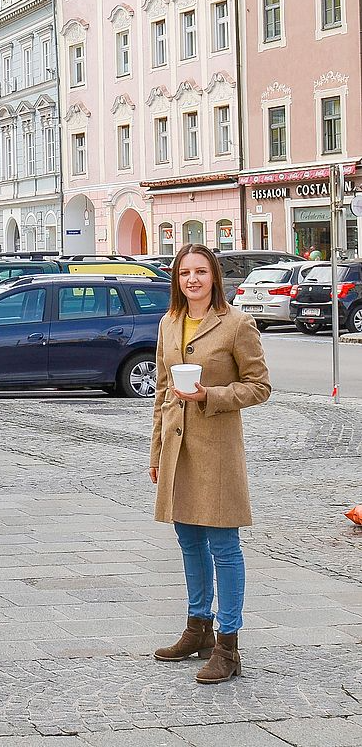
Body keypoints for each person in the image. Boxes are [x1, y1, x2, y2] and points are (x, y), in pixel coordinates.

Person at [150, 243, 270, 684]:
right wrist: (156, 452)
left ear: (215, 277)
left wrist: (210, 397)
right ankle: (197, 627)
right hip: (178, 451)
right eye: (185, 273)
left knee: (224, 545)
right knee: (188, 540)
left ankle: (228, 644)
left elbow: (259, 387)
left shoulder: (237, 324)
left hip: (217, 450)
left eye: (201, 271)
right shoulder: (169, 322)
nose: (193, 280)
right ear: (177, 280)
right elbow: (163, 392)